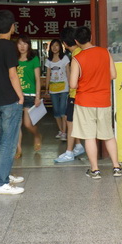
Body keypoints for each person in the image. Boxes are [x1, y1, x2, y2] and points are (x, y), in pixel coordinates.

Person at [70, 26, 122, 179]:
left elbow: (73, 84)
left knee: (89, 136)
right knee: (108, 135)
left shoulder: (77, 59)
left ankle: (95, 170)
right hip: (103, 100)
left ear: (76, 41)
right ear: (91, 37)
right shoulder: (105, 52)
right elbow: (113, 74)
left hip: (84, 102)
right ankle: (116, 167)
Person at [0, 10, 25, 195]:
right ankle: (1, 183)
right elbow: (13, 75)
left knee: (3, 139)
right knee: (8, 142)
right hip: (10, 99)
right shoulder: (9, 46)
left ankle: (4, 175)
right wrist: (20, 96)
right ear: (12, 26)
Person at [54, 27, 85, 163]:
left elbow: (74, 81)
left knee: (70, 122)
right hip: (77, 94)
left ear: (64, 44)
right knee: (70, 119)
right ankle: (78, 146)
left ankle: (69, 152)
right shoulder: (79, 52)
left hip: (76, 94)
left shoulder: (76, 56)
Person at [14, 34, 43, 158]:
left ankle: (37, 135)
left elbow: (37, 79)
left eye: (25, 44)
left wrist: (37, 96)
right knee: (16, 124)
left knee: (27, 124)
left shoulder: (34, 59)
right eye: (20, 43)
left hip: (30, 95)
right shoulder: (14, 59)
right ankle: (19, 149)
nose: (22, 46)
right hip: (16, 95)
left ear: (29, 45)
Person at [44, 38, 70, 141]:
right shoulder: (48, 60)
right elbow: (48, 76)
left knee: (63, 109)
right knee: (56, 110)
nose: (54, 48)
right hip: (53, 89)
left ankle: (64, 132)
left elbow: (68, 72)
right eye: (52, 46)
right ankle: (61, 131)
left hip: (64, 88)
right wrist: (46, 89)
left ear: (60, 47)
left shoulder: (65, 58)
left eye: (57, 45)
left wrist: (71, 86)